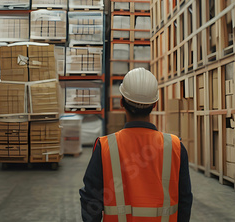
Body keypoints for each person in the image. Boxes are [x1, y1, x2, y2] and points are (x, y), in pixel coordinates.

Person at [80, 68, 193, 221]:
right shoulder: (175, 147)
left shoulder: (105, 147)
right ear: (155, 105)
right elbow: (185, 201)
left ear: (121, 102)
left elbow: (91, 201)